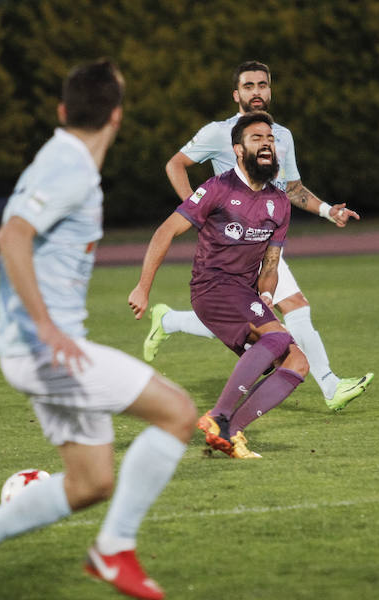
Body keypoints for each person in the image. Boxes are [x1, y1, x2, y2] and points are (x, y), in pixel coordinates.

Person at [0, 59, 196, 600]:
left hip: (37, 351)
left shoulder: (65, 161)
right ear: (117, 117)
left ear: (62, 110)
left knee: (91, 482)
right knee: (179, 414)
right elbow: (12, 237)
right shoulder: (69, 166)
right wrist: (47, 328)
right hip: (47, 352)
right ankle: (113, 549)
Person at [145, 60, 373, 412]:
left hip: (265, 240)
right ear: (237, 94)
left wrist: (329, 210)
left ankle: (169, 320)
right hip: (232, 246)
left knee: (252, 318)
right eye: (248, 86)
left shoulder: (281, 135)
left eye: (262, 85)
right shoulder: (218, 133)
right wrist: (197, 208)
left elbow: (292, 188)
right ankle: (329, 386)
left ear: (270, 90)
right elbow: (174, 164)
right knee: (291, 308)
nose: (256, 92)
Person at [129, 111, 309, 459]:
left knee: (296, 363)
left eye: (270, 139)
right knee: (276, 337)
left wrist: (268, 294)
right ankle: (219, 416)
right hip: (212, 288)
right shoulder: (217, 188)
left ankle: (228, 432)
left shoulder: (280, 202)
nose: (267, 144)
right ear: (238, 150)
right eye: (257, 138)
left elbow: (270, 263)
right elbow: (165, 231)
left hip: (244, 293)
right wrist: (143, 287)